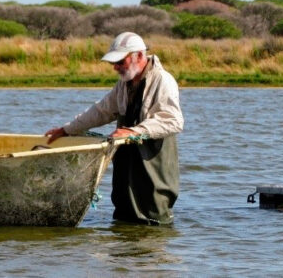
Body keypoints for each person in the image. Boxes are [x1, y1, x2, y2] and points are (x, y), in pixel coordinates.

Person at [44, 32, 184, 225]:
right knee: (124, 217)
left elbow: (173, 121)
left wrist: (134, 131)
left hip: (153, 165)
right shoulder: (124, 84)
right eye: (114, 62)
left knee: (154, 221)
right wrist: (67, 129)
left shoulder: (163, 80)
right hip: (127, 166)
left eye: (120, 61)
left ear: (140, 56)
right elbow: (101, 111)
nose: (115, 67)